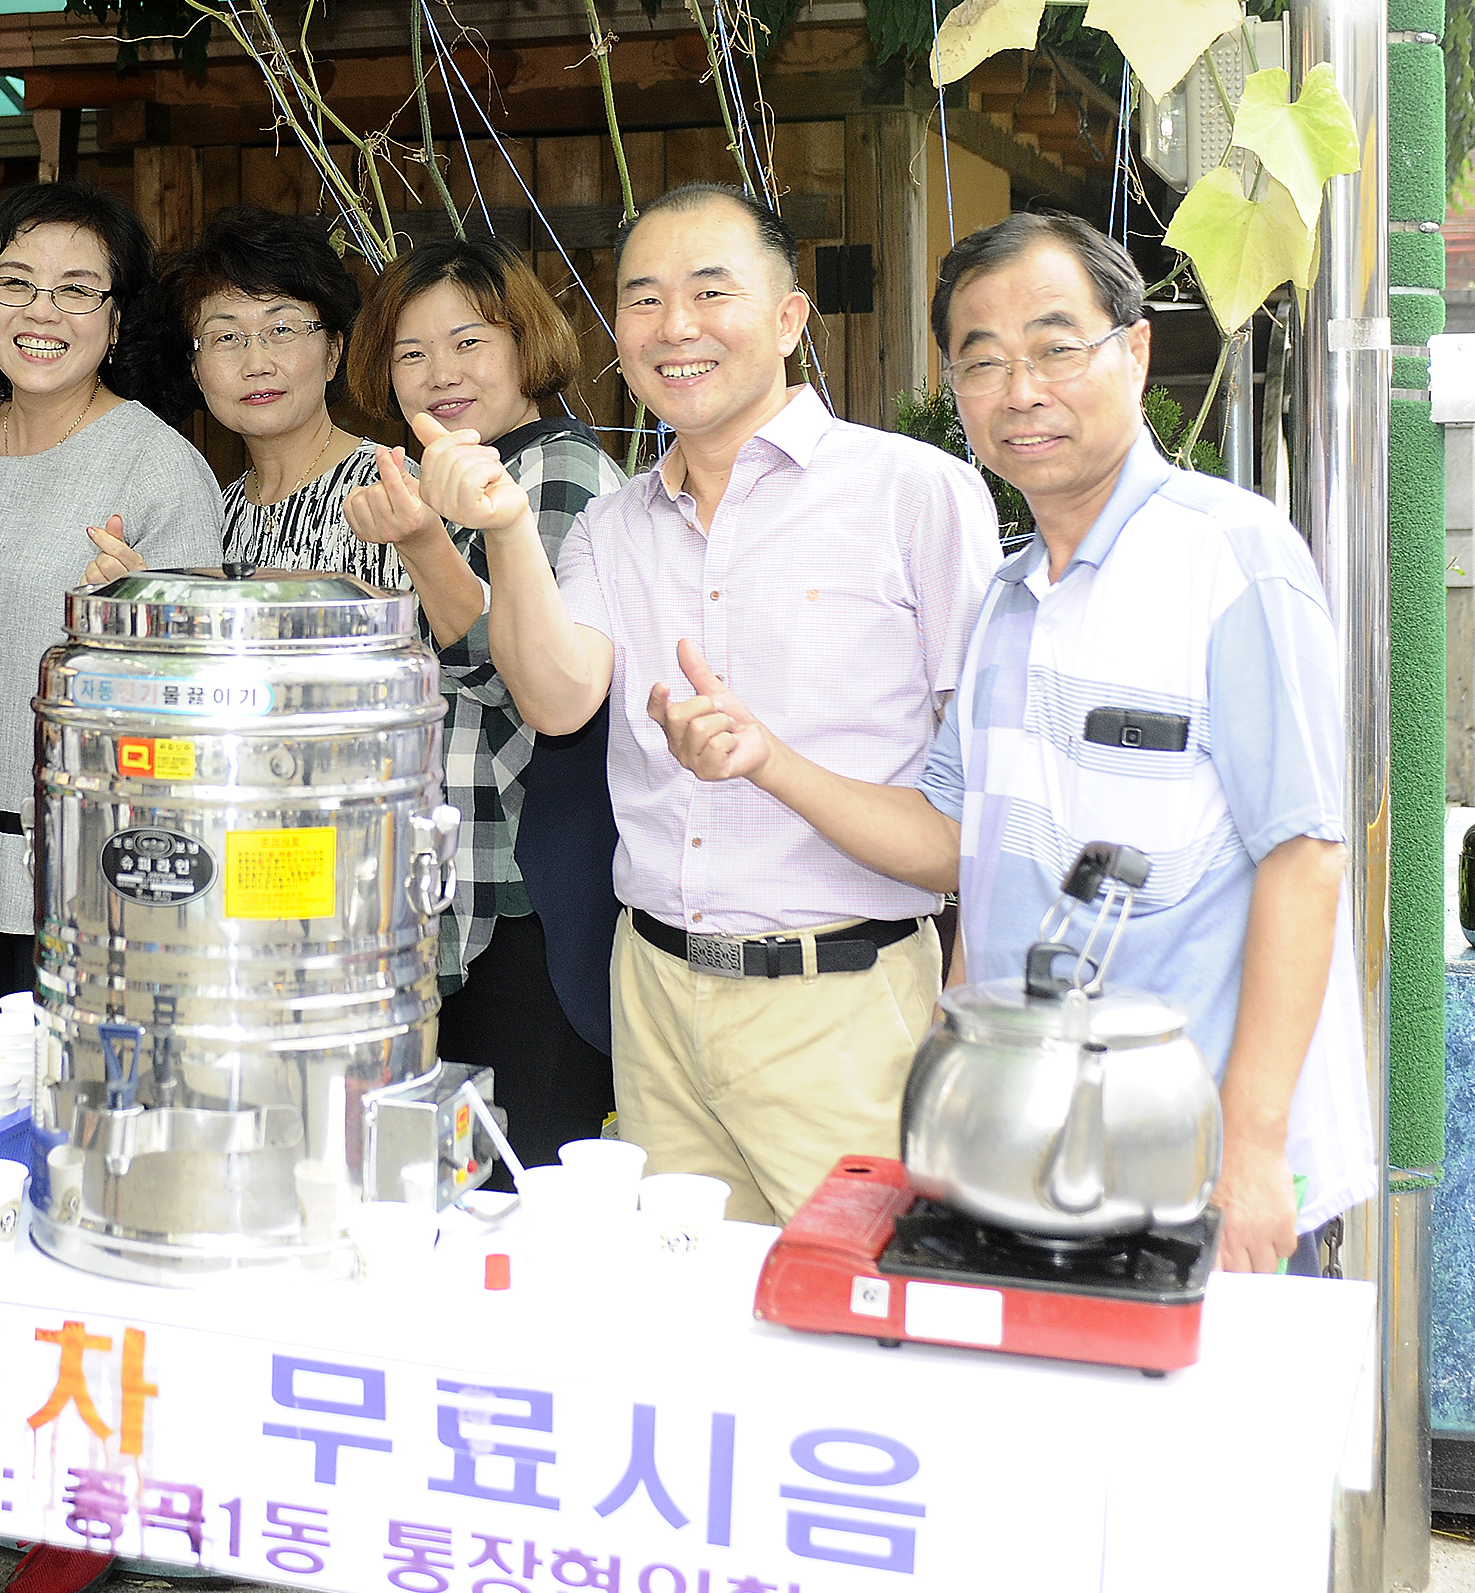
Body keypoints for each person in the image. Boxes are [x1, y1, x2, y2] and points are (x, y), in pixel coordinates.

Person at [648, 211, 1379, 1270]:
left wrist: (1256, 1146)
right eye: (981, 362)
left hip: (1200, 1164)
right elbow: (953, 842)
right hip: (1036, 1153)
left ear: (1134, 352)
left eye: (1054, 348)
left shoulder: (1229, 560)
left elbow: (1304, 855)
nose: (1019, 391)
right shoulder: (1007, 599)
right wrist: (766, 761)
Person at [402, 182, 1002, 1230]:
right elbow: (555, 699)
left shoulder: (914, 493)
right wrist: (505, 525)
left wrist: (975, 1009)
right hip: (656, 997)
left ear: (789, 318)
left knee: (852, 1302)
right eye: (643, 299)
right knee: (678, 1309)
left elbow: (989, 803)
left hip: (844, 998)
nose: (674, 326)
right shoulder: (614, 524)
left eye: (710, 292)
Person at [343, 237, 625, 1176]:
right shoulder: (438, 477)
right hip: (438, 898)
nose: (440, 373)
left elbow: (528, 684)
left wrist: (425, 547)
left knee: (520, 1189)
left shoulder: (561, 471)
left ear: (525, 344)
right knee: (442, 1190)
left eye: (469, 342)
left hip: (524, 903)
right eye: (411, 353)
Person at [0, 181, 222, 1020]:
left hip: (81, 879)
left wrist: (138, 634)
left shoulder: (157, 465)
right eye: (16, 282)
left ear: (118, 320)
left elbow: (197, 700)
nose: (41, 311)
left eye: (77, 290)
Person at [108, 205, 387, 585]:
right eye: (226, 337)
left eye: (282, 329)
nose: (256, 364)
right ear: (195, 371)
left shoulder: (389, 489)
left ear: (333, 352)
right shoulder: (214, 514)